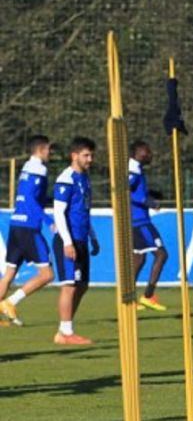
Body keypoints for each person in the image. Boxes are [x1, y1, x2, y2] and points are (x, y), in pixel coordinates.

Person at [0, 135, 56, 327]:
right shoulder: (39, 169)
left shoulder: (26, 168)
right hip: (29, 229)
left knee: (8, 275)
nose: (50, 153)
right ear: (40, 150)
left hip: (16, 225)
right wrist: (49, 221)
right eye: (49, 149)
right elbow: (31, 200)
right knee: (47, 275)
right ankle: (10, 302)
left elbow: (28, 197)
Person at [52, 137, 100, 345]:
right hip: (69, 240)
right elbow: (59, 212)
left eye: (91, 155)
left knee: (82, 285)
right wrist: (67, 242)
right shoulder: (66, 179)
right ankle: (65, 332)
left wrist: (93, 237)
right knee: (70, 285)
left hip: (81, 239)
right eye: (86, 155)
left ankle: (66, 328)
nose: (90, 159)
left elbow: (84, 212)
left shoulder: (85, 178)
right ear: (74, 156)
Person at [129, 140, 168, 311]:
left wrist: (151, 194)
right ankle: (148, 295)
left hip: (137, 221)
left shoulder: (137, 169)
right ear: (136, 153)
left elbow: (134, 190)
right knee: (161, 254)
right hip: (139, 222)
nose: (150, 154)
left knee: (139, 259)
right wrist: (147, 201)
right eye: (146, 152)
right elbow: (123, 191)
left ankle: (128, 297)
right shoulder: (133, 169)